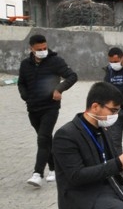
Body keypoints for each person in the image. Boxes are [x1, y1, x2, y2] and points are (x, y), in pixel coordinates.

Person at [18, 33, 78, 187]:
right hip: (33, 108)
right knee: (45, 139)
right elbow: (21, 83)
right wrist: (26, 97)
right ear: (31, 49)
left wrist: (59, 89)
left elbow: (72, 76)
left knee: (43, 138)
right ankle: (54, 168)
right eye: (39, 49)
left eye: (45, 47)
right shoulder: (25, 64)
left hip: (50, 107)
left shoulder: (55, 61)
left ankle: (37, 173)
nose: (43, 51)